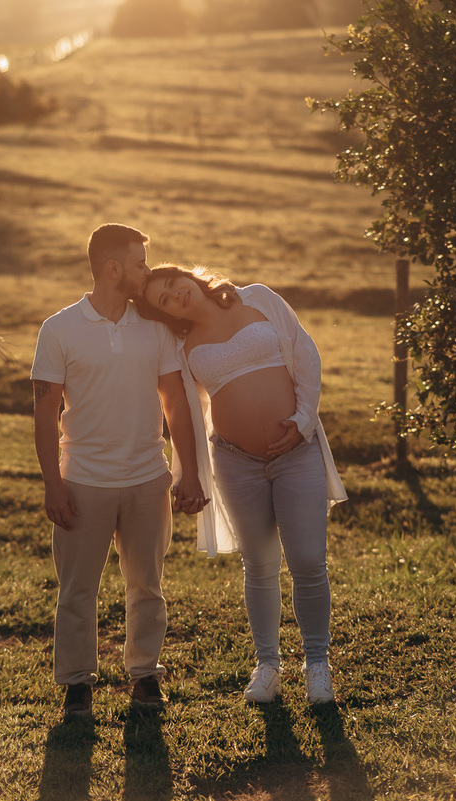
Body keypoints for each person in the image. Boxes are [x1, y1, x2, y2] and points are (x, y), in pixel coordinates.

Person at [137, 263, 347, 705]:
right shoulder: (179, 344)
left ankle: (316, 664)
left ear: (191, 277)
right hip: (235, 462)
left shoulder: (259, 299)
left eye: (176, 286)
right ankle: (268, 665)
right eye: (164, 300)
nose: (176, 297)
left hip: (297, 451)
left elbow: (305, 354)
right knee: (260, 563)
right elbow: (180, 411)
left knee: (308, 560)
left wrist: (304, 421)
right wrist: (187, 473)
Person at [31, 225, 207, 720]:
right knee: (76, 590)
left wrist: (187, 472)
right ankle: (75, 685)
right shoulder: (59, 329)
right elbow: (44, 414)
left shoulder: (154, 328)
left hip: (148, 477)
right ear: (113, 269)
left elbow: (175, 401)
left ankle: (145, 675)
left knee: (147, 585)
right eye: (140, 264)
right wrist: (53, 483)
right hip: (82, 481)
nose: (146, 272)